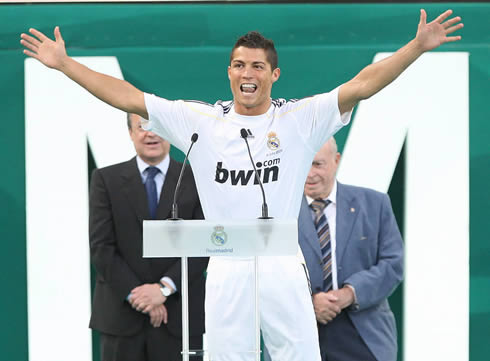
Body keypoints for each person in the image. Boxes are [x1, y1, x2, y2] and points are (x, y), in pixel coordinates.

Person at [20, 9, 462, 361]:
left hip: (281, 262)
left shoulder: (299, 119)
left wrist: (417, 48)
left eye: (256, 65)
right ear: (228, 72)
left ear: (274, 75)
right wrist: (64, 65)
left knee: (299, 355)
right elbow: (126, 95)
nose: (245, 72)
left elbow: (363, 85)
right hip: (226, 263)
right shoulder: (199, 121)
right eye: (237, 64)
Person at [89, 113, 208, 361]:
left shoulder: (198, 180)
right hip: (121, 318)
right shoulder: (105, 180)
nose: (149, 134)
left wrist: (163, 289)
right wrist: (139, 295)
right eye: (141, 127)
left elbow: (203, 246)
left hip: (180, 318)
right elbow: (102, 247)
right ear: (131, 134)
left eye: (156, 127)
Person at [299, 137, 403, 361]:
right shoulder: (280, 211)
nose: (309, 174)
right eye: (303, 163)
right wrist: (310, 302)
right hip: (299, 333)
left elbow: (393, 264)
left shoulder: (375, 204)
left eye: (317, 164)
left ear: (336, 161)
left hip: (363, 333)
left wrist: (348, 294)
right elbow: (268, 272)